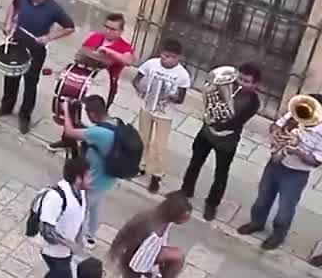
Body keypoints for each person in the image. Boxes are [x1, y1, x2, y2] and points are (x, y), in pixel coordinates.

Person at [0, 0, 76, 134]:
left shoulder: (53, 9)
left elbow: (70, 27)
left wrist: (48, 37)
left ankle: (25, 116)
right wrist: (8, 22)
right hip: (17, 44)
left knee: (30, 84)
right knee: (10, 77)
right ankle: (6, 107)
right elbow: (13, 5)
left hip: (35, 51)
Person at [237, 93, 322, 250]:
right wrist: (276, 132)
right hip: (275, 164)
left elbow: (316, 161)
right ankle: (257, 223)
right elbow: (275, 125)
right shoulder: (298, 112)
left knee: (285, 208)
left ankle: (278, 235)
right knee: (262, 199)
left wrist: (297, 151)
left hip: (296, 174)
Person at [181, 63, 261, 221]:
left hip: (226, 140)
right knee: (195, 163)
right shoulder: (227, 84)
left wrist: (215, 119)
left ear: (255, 84)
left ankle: (212, 204)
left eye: (246, 81)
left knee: (221, 173)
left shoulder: (253, 103)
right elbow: (210, 96)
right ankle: (185, 191)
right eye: (240, 78)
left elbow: (236, 121)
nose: (241, 83)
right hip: (206, 133)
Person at [105, 194, 193, 278]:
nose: (187, 219)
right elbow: (124, 233)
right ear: (174, 213)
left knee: (178, 257)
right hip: (134, 256)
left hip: (150, 252)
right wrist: (114, 253)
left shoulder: (166, 220)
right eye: (184, 216)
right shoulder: (145, 220)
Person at [132, 39, 193, 193]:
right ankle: (141, 166)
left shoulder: (182, 75)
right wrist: (141, 88)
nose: (167, 59)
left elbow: (181, 98)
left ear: (178, 58)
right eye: (165, 55)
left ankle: (157, 175)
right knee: (142, 139)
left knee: (159, 146)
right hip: (147, 108)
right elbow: (137, 79)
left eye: (172, 57)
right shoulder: (152, 64)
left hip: (165, 114)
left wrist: (169, 96)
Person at [57, 95, 116, 249]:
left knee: (82, 211)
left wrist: (65, 111)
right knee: (95, 208)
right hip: (108, 180)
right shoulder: (115, 123)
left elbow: (70, 132)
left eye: (87, 113)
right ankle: (91, 235)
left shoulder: (98, 133)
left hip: (93, 182)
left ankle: (79, 239)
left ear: (93, 114)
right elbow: (89, 133)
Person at [31, 156, 90, 278]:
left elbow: (78, 216)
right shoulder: (56, 197)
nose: (92, 179)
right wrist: (70, 244)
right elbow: (46, 230)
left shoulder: (80, 192)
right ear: (78, 178)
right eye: (88, 176)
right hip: (52, 251)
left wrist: (79, 238)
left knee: (55, 275)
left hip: (65, 251)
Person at [79, 13, 136, 109]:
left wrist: (109, 51)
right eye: (106, 27)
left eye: (113, 29)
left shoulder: (124, 46)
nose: (108, 31)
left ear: (121, 31)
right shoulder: (95, 36)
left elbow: (129, 61)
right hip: (84, 80)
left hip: (105, 87)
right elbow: (82, 52)